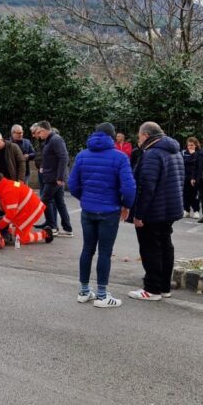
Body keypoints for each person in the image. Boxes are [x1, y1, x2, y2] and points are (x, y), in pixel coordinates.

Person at [68, 122, 136, 308]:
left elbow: (72, 184)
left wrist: (85, 198)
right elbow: (129, 187)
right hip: (110, 211)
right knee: (105, 252)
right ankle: (102, 295)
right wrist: (126, 205)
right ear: (113, 137)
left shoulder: (82, 155)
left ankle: (83, 291)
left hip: (88, 210)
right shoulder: (120, 157)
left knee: (87, 249)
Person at [128, 121, 184, 301]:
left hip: (153, 211)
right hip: (170, 209)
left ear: (145, 135)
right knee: (166, 247)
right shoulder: (174, 151)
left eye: (139, 136)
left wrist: (139, 214)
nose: (138, 140)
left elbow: (146, 187)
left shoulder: (152, 154)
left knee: (150, 248)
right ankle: (164, 287)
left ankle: (152, 289)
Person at [0, 172, 53, 245]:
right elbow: (8, 207)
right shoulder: (7, 185)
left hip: (31, 210)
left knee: (20, 239)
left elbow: (10, 214)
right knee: (14, 230)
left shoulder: (8, 191)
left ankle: (45, 234)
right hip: (30, 208)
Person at [33, 120, 73, 237]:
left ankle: (52, 226)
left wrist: (60, 176)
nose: (39, 135)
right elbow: (51, 157)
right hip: (52, 175)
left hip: (54, 177)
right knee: (59, 202)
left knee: (45, 200)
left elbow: (63, 157)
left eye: (39, 132)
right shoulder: (50, 140)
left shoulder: (55, 139)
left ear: (44, 130)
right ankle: (67, 228)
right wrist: (43, 166)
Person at [181, 136, 200, 218]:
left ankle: (196, 211)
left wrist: (193, 155)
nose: (190, 147)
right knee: (185, 194)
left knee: (194, 195)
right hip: (184, 177)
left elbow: (196, 164)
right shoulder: (183, 152)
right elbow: (183, 162)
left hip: (194, 177)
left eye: (192, 145)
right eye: (189, 145)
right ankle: (186, 210)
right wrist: (191, 159)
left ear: (195, 145)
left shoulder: (199, 153)